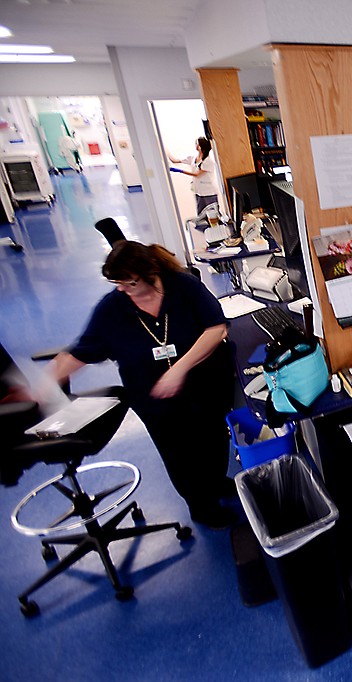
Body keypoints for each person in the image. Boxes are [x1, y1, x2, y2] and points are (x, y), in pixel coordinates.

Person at [48, 241, 237, 528]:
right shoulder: (113, 309)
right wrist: (44, 382)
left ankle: (215, 482)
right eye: (116, 283)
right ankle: (200, 506)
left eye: (129, 282)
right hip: (155, 399)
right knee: (179, 454)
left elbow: (217, 328)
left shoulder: (183, 287)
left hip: (205, 384)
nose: (122, 288)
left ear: (150, 272)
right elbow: (81, 351)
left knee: (213, 441)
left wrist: (180, 369)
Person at [168, 137, 219, 214]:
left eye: (197, 143)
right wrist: (166, 151)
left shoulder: (208, 161)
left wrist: (180, 171)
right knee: (201, 214)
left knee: (213, 214)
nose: (196, 145)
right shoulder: (193, 158)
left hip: (209, 192)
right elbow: (175, 161)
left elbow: (197, 175)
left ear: (201, 146)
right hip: (199, 191)